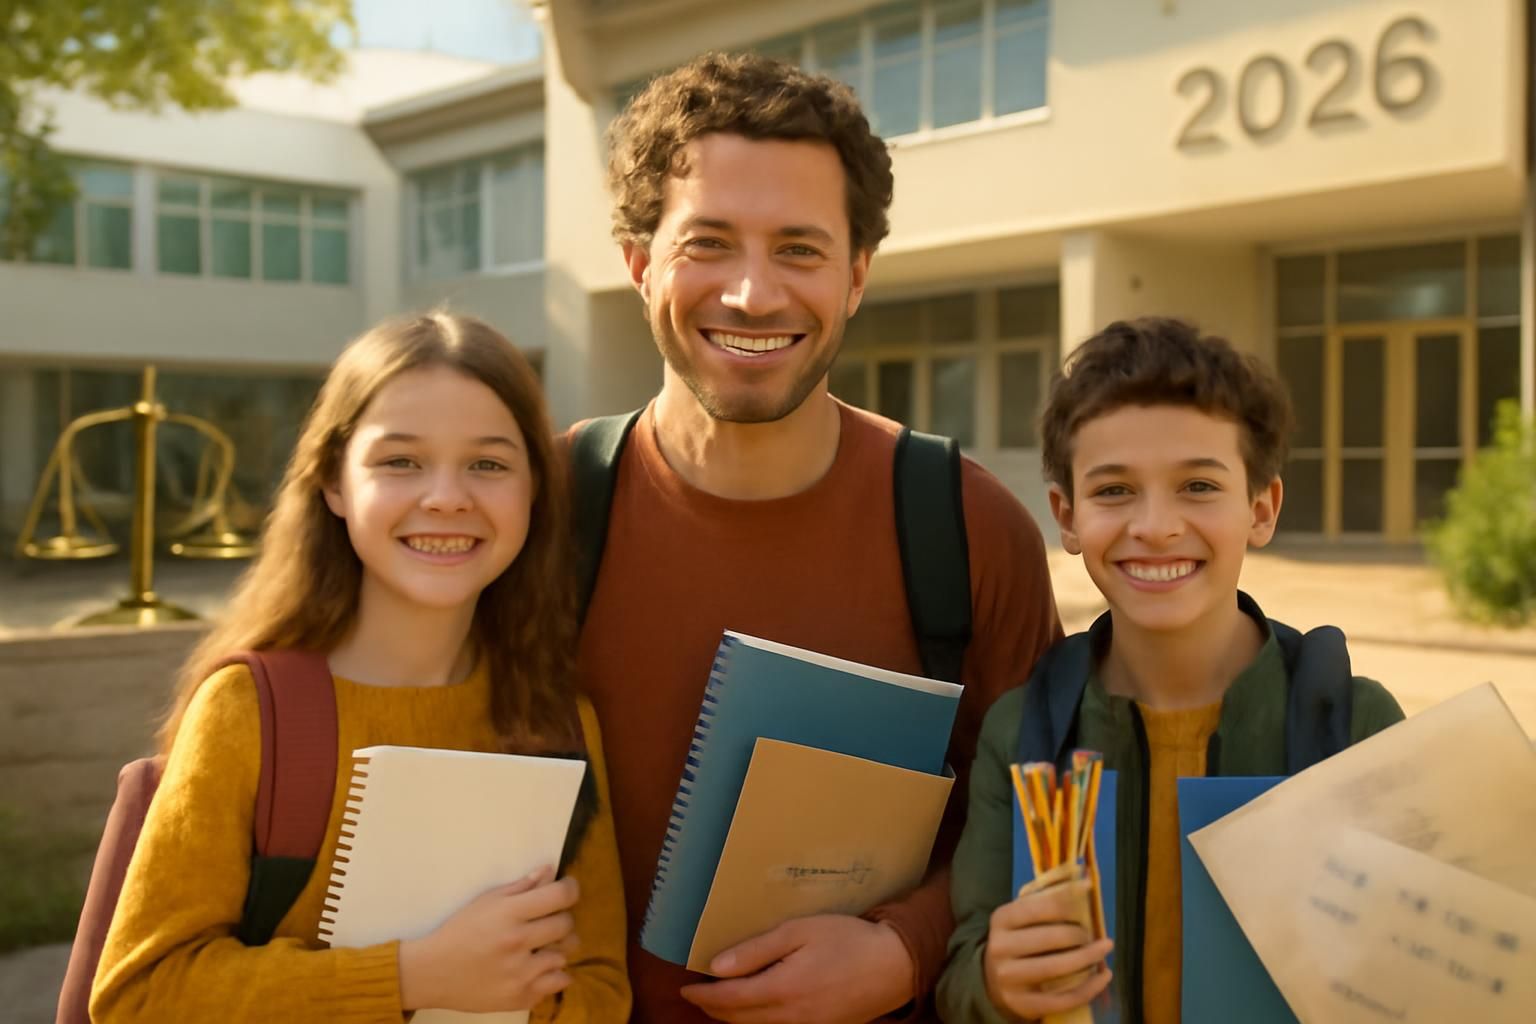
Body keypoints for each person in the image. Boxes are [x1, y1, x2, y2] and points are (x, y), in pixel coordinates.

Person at [582, 52, 1061, 1023]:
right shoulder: (538, 512)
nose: (754, 295)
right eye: (709, 243)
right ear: (640, 263)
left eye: (798, 249)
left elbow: (1047, 828)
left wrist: (905, 950)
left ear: (856, 275)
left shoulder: (966, 529)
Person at [91, 313, 630, 1023]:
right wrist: (411, 979)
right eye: (400, 461)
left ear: (535, 490)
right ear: (333, 484)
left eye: (489, 463)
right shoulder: (248, 710)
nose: (445, 496)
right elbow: (139, 995)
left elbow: (601, 989)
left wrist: (521, 995)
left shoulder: (558, 720)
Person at [938, 317, 1406, 1024]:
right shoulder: (1026, 732)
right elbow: (961, 977)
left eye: (1197, 486)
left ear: (1262, 507)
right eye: (1115, 491)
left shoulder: (1353, 726)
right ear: (1066, 516)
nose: (1155, 526)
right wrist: (995, 980)